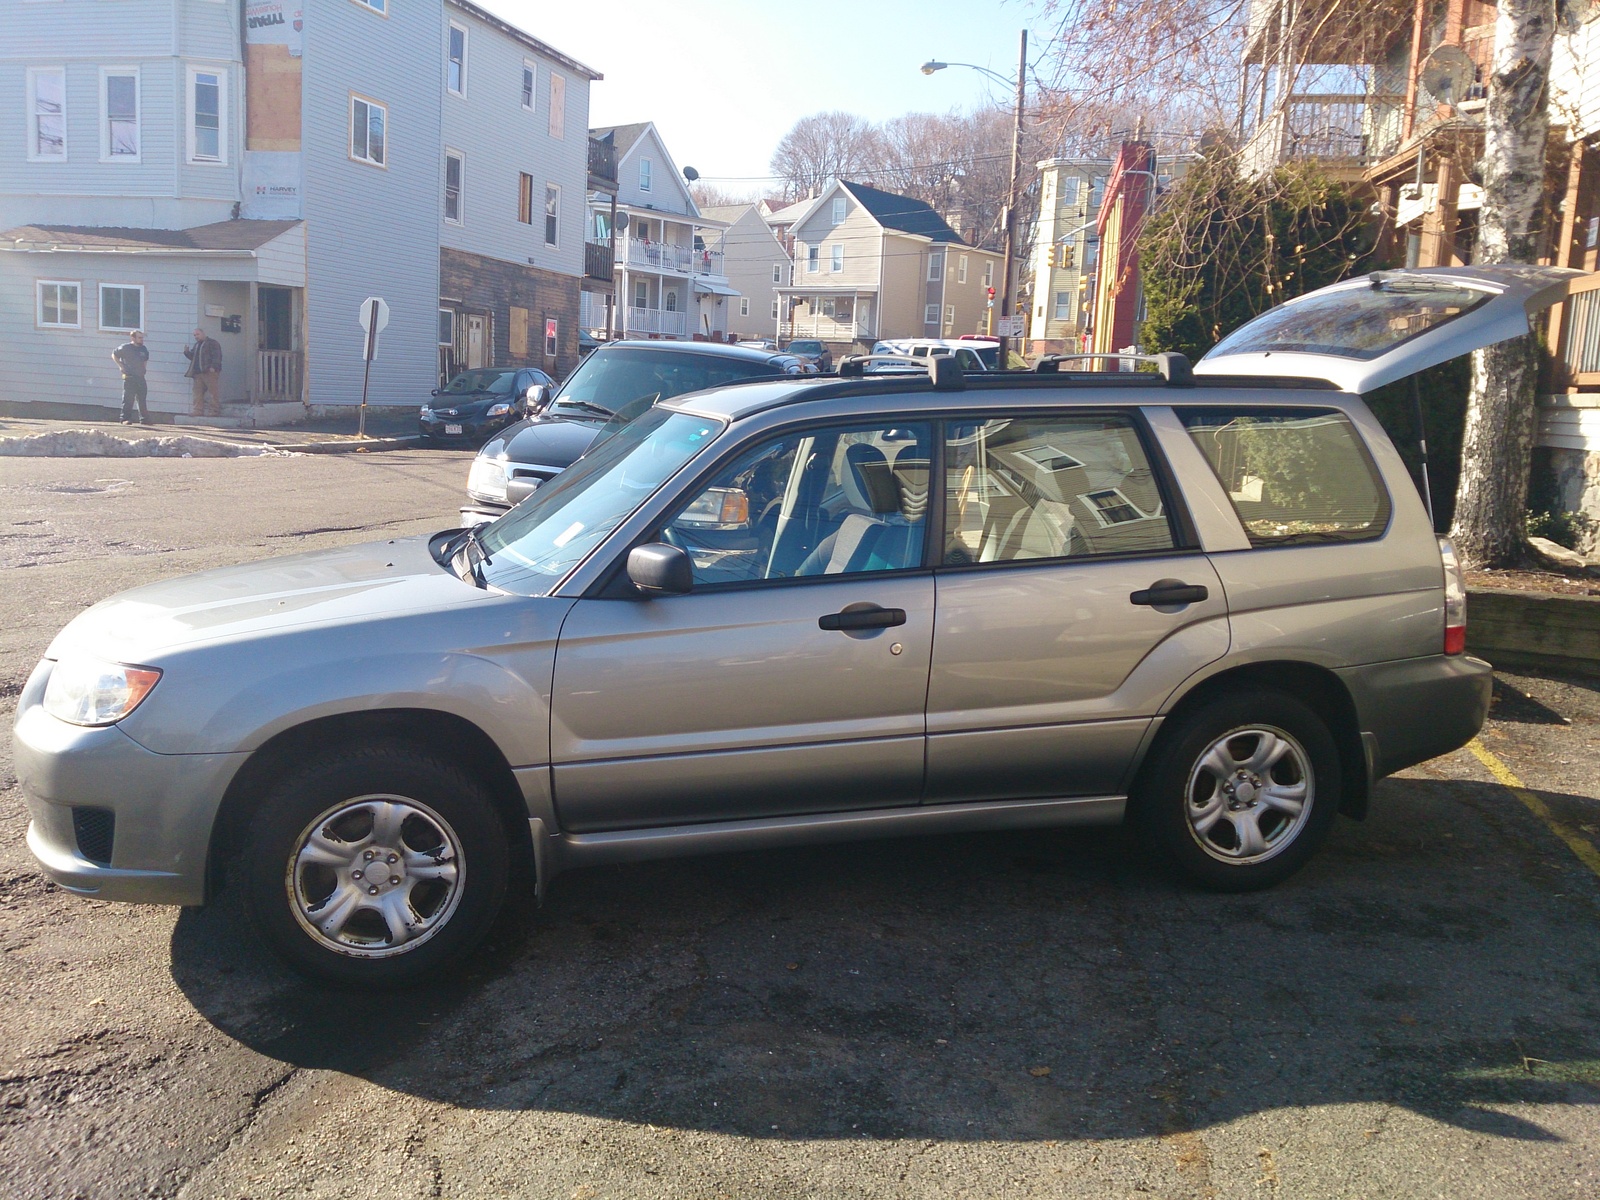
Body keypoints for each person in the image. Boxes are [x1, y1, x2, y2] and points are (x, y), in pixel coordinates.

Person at [110, 330, 150, 425]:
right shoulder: (125, 348)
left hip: (140, 376)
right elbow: (114, 355)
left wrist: (144, 369)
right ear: (133, 338)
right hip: (129, 376)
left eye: (142, 337)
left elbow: (145, 359)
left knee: (142, 398)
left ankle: (144, 419)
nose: (141, 339)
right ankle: (125, 419)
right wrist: (121, 366)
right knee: (128, 398)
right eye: (139, 338)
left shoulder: (143, 349)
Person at [184, 326, 223, 416]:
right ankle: (198, 410)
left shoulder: (212, 343)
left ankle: (214, 411)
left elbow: (217, 356)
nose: (196, 336)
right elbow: (193, 357)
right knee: (197, 393)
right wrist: (186, 352)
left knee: (213, 392)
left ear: (203, 333)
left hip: (209, 372)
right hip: (198, 373)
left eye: (197, 334)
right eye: (194, 335)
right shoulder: (197, 345)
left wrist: (213, 367)